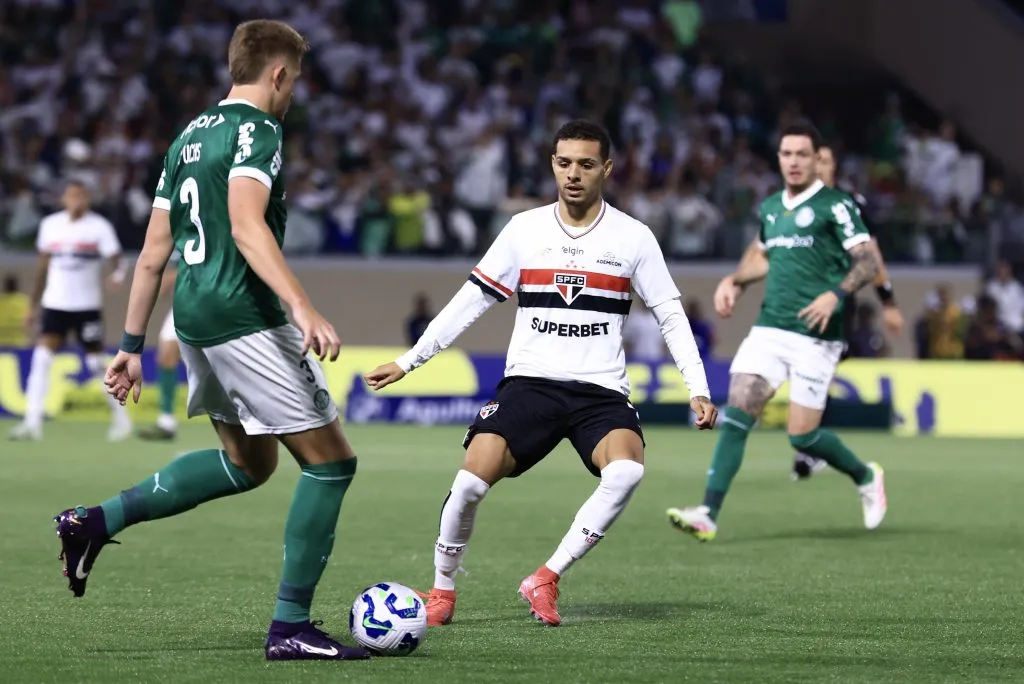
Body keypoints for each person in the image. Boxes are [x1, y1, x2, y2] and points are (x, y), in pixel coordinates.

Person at [53, 20, 370, 662]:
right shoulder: (259, 131)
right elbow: (250, 227)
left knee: (249, 463)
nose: (294, 92)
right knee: (332, 463)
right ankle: (290, 628)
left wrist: (131, 342)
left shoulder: (188, 137)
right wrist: (302, 305)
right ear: (278, 73)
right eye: (295, 79)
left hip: (194, 312)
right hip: (244, 315)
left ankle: (96, 521)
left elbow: (151, 255)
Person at [365, 119, 716, 628]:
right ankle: (442, 590)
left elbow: (670, 315)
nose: (573, 174)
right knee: (468, 485)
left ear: (607, 169)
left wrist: (698, 387)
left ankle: (547, 577)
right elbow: (473, 300)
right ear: (553, 163)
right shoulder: (524, 230)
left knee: (627, 472)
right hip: (530, 383)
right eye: (564, 162)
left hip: (599, 390)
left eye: (586, 164)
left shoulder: (633, 237)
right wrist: (411, 359)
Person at [666, 120, 889, 541]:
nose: (793, 161)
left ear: (816, 159)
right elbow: (766, 260)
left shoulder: (836, 205)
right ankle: (708, 513)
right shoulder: (771, 208)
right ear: (779, 158)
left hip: (817, 334)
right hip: (770, 327)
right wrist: (735, 280)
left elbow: (867, 262)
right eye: (786, 154)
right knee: (737, 414)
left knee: (802, 436)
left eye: (802, 154)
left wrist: (834, 295)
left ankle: (865, 475)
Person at [791, 143, 904, 479]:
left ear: (834, 167)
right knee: (801, 372)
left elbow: (871, 255)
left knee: (815, 372)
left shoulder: (850, 205)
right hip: (796, 301)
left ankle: (808, 447)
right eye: (814, 160)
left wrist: (888, 301)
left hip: (837, 304)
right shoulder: (791, 204)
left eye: (824, 161)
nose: (818, 166)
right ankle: (809, 443)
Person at [9, 180, 131, 441]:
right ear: (63, 199)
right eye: (72, 196)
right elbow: (41, 269)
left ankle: (122, 420)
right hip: (55, 304)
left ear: (87, 200)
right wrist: (32, 306)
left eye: (81, 196)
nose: (76, 201)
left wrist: (118, 276)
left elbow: (118, 259)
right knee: (42, 358)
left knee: (96, 363)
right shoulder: (50, 226)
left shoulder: (99, 227)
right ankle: (32, 423)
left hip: (86, 306)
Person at [137, 254, 182, 441]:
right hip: (184, 304)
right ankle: (166, 421)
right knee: (166, 357)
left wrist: (171, 278)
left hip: (215, 303)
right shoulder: (180, 233)